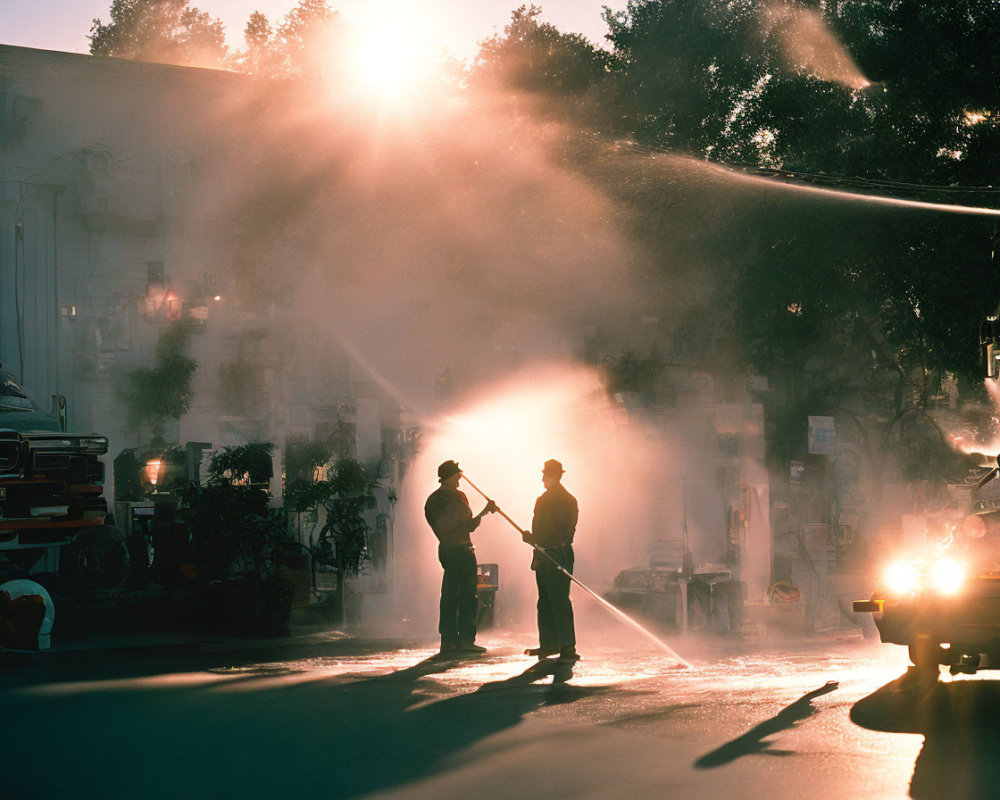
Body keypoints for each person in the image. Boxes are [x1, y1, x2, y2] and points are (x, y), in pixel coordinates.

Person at [424, 459, 496, 655]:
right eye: (457, 474)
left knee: (449, 595)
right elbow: (466, 525)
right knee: (466, 595)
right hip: (461, 551)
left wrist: (482, 512)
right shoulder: (453, 498)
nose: (460, 477)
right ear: (448, 476)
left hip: (448, 550)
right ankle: (465, 640)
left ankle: (448, 639)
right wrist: (484, 511)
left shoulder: (434, 500)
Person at [524, 459, 579, 662]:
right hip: (543, 554)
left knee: (559, 600)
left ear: (555, 476)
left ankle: (567, 647)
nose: (543, 478)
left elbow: (566, 533)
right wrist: (533, 539)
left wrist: (536, 539)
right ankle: (549, 644)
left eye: (546, 475)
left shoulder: (567, 500)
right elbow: (540, 529)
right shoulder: (542, 499)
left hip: (559, 554)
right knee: (545, 600)